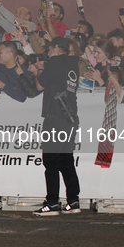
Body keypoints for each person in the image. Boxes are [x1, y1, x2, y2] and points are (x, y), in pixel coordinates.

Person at [33, 37, 81, 216]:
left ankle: (52, 202)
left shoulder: (54, 62)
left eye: (49, 48)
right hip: (70, 117)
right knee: (66, 160)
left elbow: (39, 85)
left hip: (55, 118)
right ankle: (73, 200)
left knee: (51, 161)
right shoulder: (73, 64)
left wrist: (39, 70)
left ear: (56, 48)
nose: (48, 52)